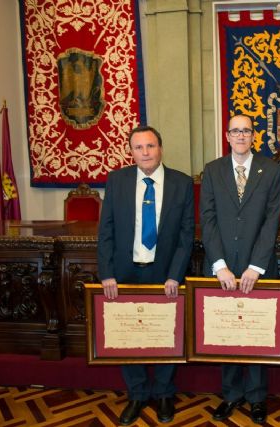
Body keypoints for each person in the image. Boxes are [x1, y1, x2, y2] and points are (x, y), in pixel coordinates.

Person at [97, 126, 195, 426]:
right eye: (138, 147)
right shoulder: (117, 181)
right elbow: (107, 231)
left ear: (160, 148)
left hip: (164, 272)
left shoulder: (181, 183)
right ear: (131, 151)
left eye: (150, 146)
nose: (145, 152)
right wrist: (107, 273)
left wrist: (175, 275)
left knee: (167, 334)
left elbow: (186, 234)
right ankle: (137, 393)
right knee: (130, 336)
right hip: (125, 272)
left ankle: (165, 392)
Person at [200, 113, 280, 425]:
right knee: (228, 334)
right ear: (227, 134)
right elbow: (207, 219)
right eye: (235, 130)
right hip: (223, 268)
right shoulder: (213, 170)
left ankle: (258, 397)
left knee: (258, 335)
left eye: (246, 130)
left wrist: (256, 266)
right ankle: (231, 394)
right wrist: (219, 265)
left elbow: (272, 220)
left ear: (253, 136)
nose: (240, 135)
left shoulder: (271, 170)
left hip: (258, 268)